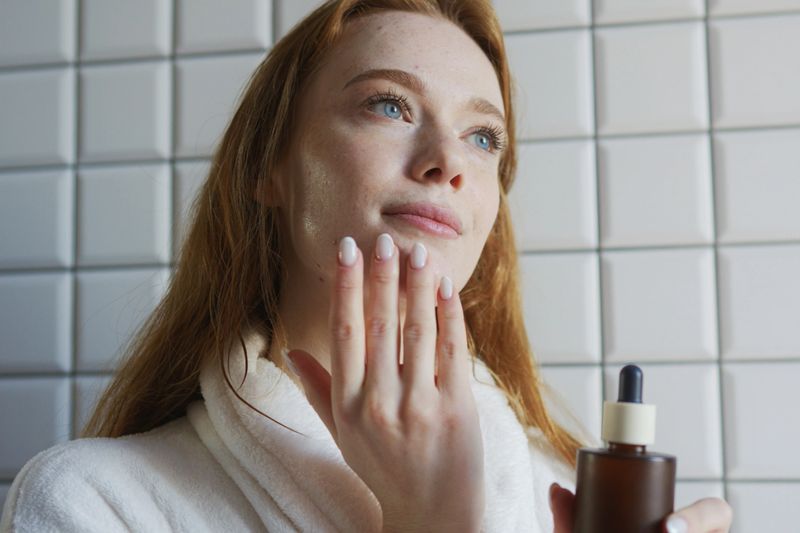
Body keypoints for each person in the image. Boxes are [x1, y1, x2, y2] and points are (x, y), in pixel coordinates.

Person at [0, 1, 732, 532]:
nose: (449, 160)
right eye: (389, 104)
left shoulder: (567, 494)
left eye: (484, 138)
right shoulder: (93, 503)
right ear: (270, 168)